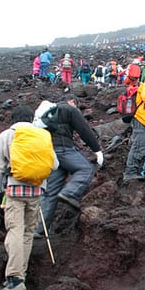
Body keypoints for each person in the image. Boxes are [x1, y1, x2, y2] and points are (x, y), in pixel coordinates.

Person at [0, 106, 58, 290]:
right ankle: (22, 273)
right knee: (28, 232)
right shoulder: (42, 135)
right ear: (31, 118)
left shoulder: (7, 135)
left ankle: (14, 278)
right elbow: (54, 164)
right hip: (37, 190)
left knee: (15, 230)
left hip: (14, 189)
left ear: (13, 118)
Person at [34, 94, 103, 237]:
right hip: (64, 149)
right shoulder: (68, 109)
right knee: (86, 169)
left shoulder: (47, 113)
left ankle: (39, 229)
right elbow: (84, 129)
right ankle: (69, 193)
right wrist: (97, 150)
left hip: (48, 152)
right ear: (72, 102)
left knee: (50, 191)